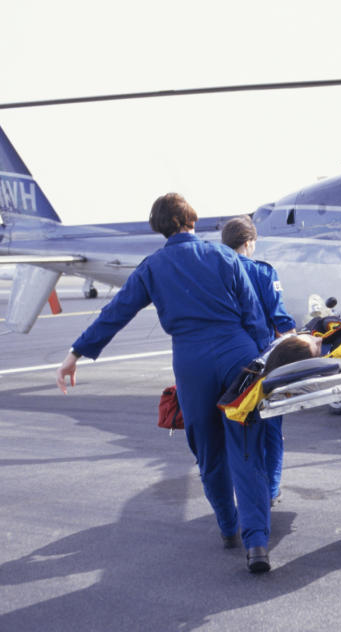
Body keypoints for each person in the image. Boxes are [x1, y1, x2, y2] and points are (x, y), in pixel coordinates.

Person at [56, 193, 276, 573]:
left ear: (160, 227)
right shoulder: (225, 256)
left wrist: (77, 352)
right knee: (246, 449)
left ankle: (228, 527)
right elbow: (254, 316)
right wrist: (262, 365)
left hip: (191, 363)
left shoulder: (153, 267)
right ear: (191, 219)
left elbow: (117, 311)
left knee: (208, 450)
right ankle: (256, 544)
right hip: (237, 356)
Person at [221, 216, 296, 507]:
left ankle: (243, 490)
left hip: (224, 360)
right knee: (271, 427)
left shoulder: (215, 272)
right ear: (249, 242)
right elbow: (279, 318)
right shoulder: (263, 272)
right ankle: (270, 489)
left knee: (235, 429)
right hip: (260, 361)